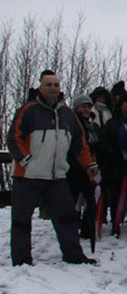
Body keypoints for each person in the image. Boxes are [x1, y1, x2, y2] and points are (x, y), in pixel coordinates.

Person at [7, 70, 100, 266]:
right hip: (28, 175)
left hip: (57, 177)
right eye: (48, 85)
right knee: (21, 220)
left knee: (67, 218)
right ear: (40, 87)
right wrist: (26, 161)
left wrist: (89, 164)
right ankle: (21, 260)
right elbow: (14, 138)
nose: (52, 88)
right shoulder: (28, 110)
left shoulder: (67, 114)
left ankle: (73, 255)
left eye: (56, 85)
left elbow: (80, 144)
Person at [99, 92, 127, 236]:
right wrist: (115, 154)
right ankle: (115, 224)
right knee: (116, 197)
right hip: (115, 165)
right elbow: (104, 142)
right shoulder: (112, 123)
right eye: (126, 103)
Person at [70, 95, 101, 240]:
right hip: (74, 169)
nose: (86, 109)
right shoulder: (72, 125)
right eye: (83, 107)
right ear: (77, 108)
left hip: (91, 168)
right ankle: (70, 229)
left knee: (91, 202)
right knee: (73, 202)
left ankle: (87, 230)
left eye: (88, 107)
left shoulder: (94, 126)